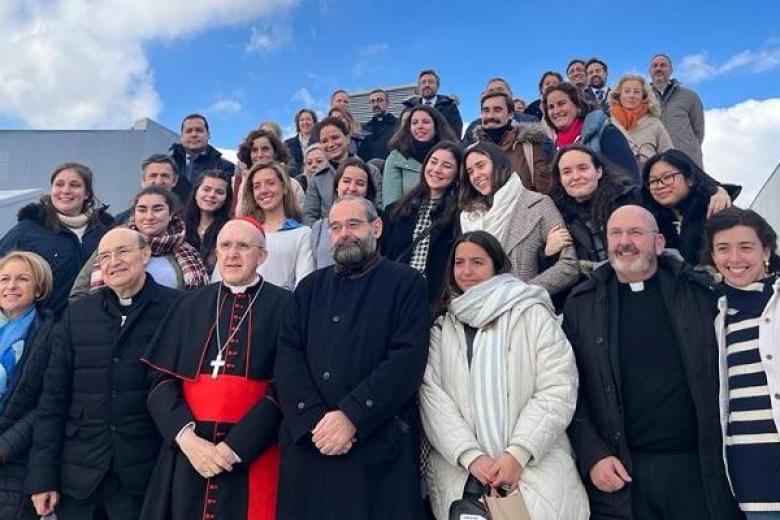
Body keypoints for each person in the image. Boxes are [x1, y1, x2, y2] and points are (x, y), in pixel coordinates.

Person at [563, 205, 742, 520]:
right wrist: (593, 455)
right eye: (616, 233)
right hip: (623, 472)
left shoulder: (700, 293)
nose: (624, 241)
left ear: (659, 243)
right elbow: (568, 388)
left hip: (697, 468)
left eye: (635, 232)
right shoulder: (582, 304)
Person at [275, 196, 430, 519]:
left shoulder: (406, 283)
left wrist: (352, 416)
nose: (344, 233)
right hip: (310, 442)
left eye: (353, 224)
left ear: (376, 227)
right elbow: (288, 356)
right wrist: (315, 419)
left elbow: (406, 359)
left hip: (376, 442)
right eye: (335, 227)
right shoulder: (309, 287)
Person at [420, 231, 589, 520]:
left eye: (477, 262)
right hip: (466, 478)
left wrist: (518, 453)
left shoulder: (532, 314)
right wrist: (470, 456)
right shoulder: (443, 327)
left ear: (497, 266)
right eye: (459, 263)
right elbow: (433, 399)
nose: (466, 271)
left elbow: (557, 387)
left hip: (532, 471)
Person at [140, 218, 291, 520]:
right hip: (188, 452)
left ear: (261, 255)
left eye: (243, 246)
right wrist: (187, 439)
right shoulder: (189, 304)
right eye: (225, 246)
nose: (232, 253)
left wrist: (235, 447)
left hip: (257, 448)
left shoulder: (287, 306)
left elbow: (289, 384)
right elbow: (160, 379)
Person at [25, 228, 180, 519]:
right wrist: (42, 479)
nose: (113, 261)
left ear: (145, 254)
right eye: (104, 256)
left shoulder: (178, 308)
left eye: (122, 251)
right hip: (79, 477)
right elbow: (52, 401)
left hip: (144, 474)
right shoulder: (77, 314)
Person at [704, 208, 780, 519]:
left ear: (767, 251)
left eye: (746, 247)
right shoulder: (715, 314)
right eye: (723, 248)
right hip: (750, 472)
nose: (735, 258)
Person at [460, 142, 578, 296]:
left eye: (481, 166)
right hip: (476, 311)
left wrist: (520, 294)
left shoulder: (538, 204)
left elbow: (569, 265)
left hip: (525, 310)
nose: (475, 175)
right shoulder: (467, 217)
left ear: (499, 164)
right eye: (470, 172)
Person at [0, 162, 113, 317]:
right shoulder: (26, 231)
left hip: (95, 324)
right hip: (44, 328)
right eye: (59, 184)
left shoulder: (106, 231)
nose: (65, 191)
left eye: (75, 185)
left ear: (87, 193)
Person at [70, 186, 210, 299]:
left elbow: (200, 302)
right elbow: (79, 293)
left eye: (158, 209)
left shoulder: (189, 254)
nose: (149, 216)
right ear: (134, 214)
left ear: (171, 213)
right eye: (142, 210)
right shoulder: (111, 244)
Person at [0, 252, 55, 519]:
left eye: (22, 279)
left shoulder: (51, 334)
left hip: (15, 460)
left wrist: (5, 446)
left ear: (38, 289)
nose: (10, 286)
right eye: (4, 279)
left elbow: (49, 403)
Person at [382, 141, 463, 306]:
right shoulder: (396, 210)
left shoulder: (461, 214)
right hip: (398, 295)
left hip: (436, 300)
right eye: (433, 162)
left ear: (457, 173)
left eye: (447, 166)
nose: (437, 170)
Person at [549, 145, 641, 267]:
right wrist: (548, 253)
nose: (575, 177)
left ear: (599, 171)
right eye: (567, 172)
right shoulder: (556, 215)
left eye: (583, 168)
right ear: (560, 180)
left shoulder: (629, 199)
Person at [643, 149, 738, 265]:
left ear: (690, 179)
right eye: (653, 181)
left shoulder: (716, 210)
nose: (660, 185)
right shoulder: (651, 221)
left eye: (667, 177)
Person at [238, 160, 314, 290]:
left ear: (284, 187)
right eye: (257, 186)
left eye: (270, 183)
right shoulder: (243, 233)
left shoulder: (302, 233)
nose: (263, 190)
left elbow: (304, 284)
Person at [544, 81, 640, 180]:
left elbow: (630, 180)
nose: (556, 111)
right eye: (551, 107)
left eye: (561, 104)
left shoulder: (606, 133)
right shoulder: (555, 148)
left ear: (578, 106)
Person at [303, 117, 383, 224]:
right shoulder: (317, 179)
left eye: (335, 137)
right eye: (324, 141)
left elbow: (378, 209)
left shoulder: (371, 171)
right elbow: (309, 217)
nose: (330, 144)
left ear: (348, 138)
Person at [472, 90, 552, 193]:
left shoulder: (530, 147)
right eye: (486, 111)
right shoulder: (473, 152)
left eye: (497, 110)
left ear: (510, 114)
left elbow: (543, 192)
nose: (490, 115)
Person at [383, 105, 458, 208]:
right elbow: (391, 205)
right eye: (414, 123)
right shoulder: (396, 158)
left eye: (426, 122)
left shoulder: (453, 155)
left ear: (436, 126)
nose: (419, 126)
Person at [311, 158, 379, 269]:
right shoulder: (318, 228)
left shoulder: (377, 224)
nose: (352, 188)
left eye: (360, 183)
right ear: (337, 186)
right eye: (346, 181)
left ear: (367, 190)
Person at [650, 53, 706, 167]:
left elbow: (698, 130)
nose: (658, 68)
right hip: (654, 160)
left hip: (687, 159)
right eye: (654, 66)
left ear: (671, 70)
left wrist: (687, 145)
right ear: (650, 71)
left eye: (663, 65)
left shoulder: (689, 96)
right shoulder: (643, 97)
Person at [234, 128, 305, 215]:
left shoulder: (293, 184)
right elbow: (240, 216)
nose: (260, 155)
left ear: (275, 153)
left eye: (265, 149)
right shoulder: (245, 184)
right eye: (255, 150)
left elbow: (300, 215)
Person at [609, 74, 674, 165]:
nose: (631, 95)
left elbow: (669, 156)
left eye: (636, 92)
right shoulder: (607, 122)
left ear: (643, 96)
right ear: (619, 95)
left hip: (646, 177)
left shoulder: (655, 123)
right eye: (627, 91)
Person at [169, 113, 234, 203]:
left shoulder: (225, 167)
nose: (194, 134)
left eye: (199, 130)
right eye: (189, 131)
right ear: (181, 136)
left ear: (208, 135)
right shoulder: (168, 165)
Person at [462, 77, 542, 147]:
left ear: (511, 95)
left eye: (500, 90)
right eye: (490, 91)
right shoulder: (473, 127)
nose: (495, 93)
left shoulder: (530, 121)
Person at [182, 169, 233, 275]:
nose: (212, 195)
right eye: (206, 189)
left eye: (219, 192)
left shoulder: (230, 229)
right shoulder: (179, 225)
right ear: (196, 192)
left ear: (226, 198)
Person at [114, 154, 180, 224]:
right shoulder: (120, 221)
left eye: (165, 176)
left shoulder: (186, 217)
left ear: (174, 181)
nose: (158, 182)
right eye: (153, 176)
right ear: (143, 180)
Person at [402, 69, 463, 137]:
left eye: (430, 82)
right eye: (423, 82)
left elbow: (455, 134)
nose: (427, 85)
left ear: (437, 86)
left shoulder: (449, 106)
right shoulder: (409, 107)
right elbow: (401, 134)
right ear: (419, 87)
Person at [358, 88, 399, 162]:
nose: (376, 104)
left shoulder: (398, 125)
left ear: (388, 103)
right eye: (372, 101)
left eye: (379, 100)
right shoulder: (364, 128)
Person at [285, 108, 318, 177]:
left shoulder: (320, 141)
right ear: (298, 123)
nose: (305, 122)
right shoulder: (288, 144)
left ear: (314, 122)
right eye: (302, 120)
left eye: (308, 119)